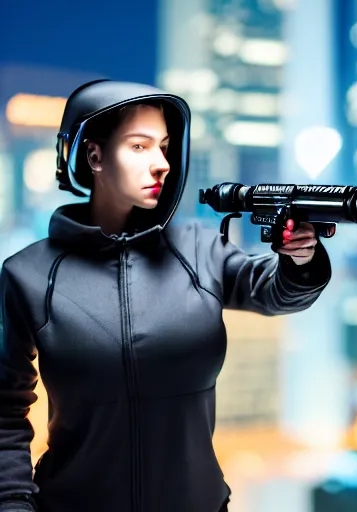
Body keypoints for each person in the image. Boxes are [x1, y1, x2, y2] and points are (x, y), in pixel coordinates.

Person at [0, 79, 332, 512]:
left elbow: (274, 291)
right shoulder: (28, 275)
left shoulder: (200, 249)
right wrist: (13, 504)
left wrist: (301, 258)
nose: (161, 164)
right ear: (93, 154)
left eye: (164, 146)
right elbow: (5, 411)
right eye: (139, 146)